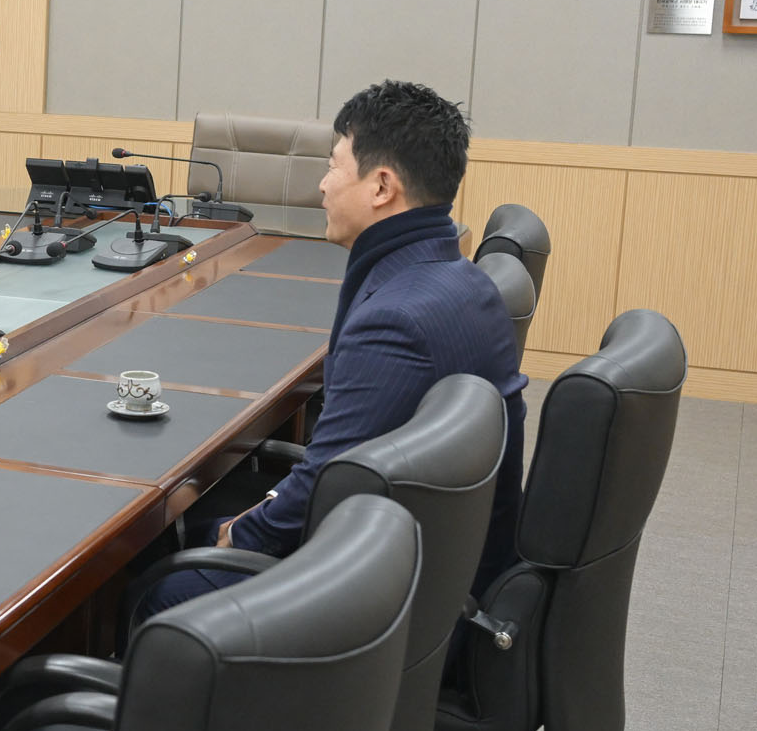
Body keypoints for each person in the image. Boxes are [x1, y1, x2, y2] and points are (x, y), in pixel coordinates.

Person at [143, 79, 528, 614]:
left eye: (333, 167)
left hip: (392, 600)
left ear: (381, 187)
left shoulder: (395, 322)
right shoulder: (463, 281)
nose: (322, 186)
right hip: (441, 563)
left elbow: (323, 487)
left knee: (159, 584)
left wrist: (234, 535)